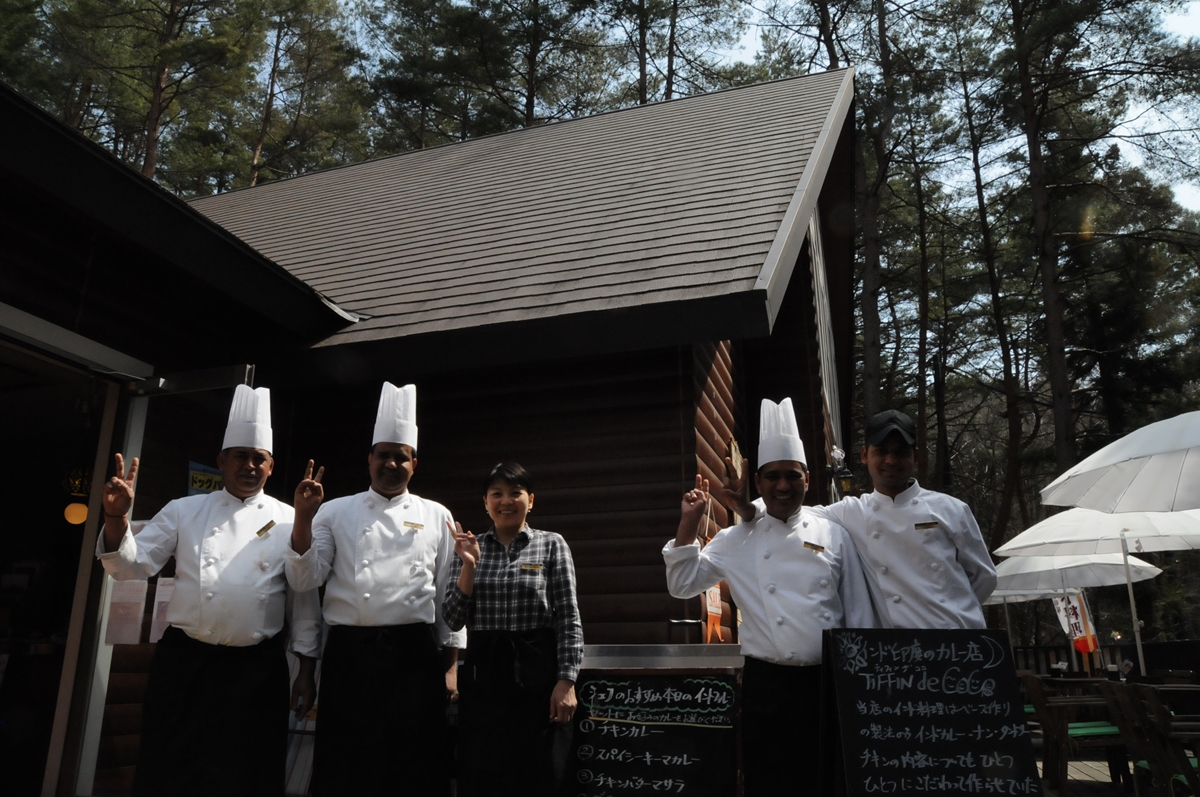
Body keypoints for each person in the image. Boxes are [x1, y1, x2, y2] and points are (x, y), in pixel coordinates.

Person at [97, 385, 321, 797]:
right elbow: (131, 566)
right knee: (172, 769)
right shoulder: (184, 510)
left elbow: (303, 600)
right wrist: (115, 518)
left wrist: (305, 670)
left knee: (247, 773)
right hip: (187, 665)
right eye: (241, 456)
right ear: (221, 461)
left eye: (260, 459)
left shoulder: (291, 519)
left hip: (256, 672)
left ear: (271, 467)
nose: (250, 466)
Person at [663, 398, 874, 796]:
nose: (783, 485)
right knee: (769, 782)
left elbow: (859, 614)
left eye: (792, 476)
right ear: (758, 481)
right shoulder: (735, 538)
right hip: (766, 684)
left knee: (827, 782)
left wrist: (859, 685)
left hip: (826, 682)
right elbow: (684, 584)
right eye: (772, 476)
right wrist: (689, 523)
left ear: (807, 480)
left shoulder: (832, 532)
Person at [287, 381, 464, 797]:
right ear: (369, 459)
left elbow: (448, 598)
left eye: (400, 457)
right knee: (348, 763)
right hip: (351, 655)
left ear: (414, 464)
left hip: (415, 654)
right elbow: (304, 579)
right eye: (383, 455)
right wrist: (302, 519)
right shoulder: (333, 511)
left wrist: (452, 665)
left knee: (415, 761)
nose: (391, 464)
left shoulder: (436, 514)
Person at [730, 408, 997, 629]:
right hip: (897, 651)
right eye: (881, 451)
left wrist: (953, 612)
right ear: (864, 455)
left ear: (915, 456)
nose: (891, 460)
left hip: (960, 641)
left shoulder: (952, 509)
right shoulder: (851, 512)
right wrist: (746, 509)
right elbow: (792, 511)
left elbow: (984, 577)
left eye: (901, 452)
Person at [444, 462, 583, 797]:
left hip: (538, 673)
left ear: (530, 500)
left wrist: (567, 682)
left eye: (514, 493)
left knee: (539, 769)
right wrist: (469, 566)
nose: (505, 501)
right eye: (497, 494)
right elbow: (452, 619)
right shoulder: (468, 547)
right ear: (486, 502)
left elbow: (568, 616)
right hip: (485, 675)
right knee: (485, 768)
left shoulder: (552, 545)